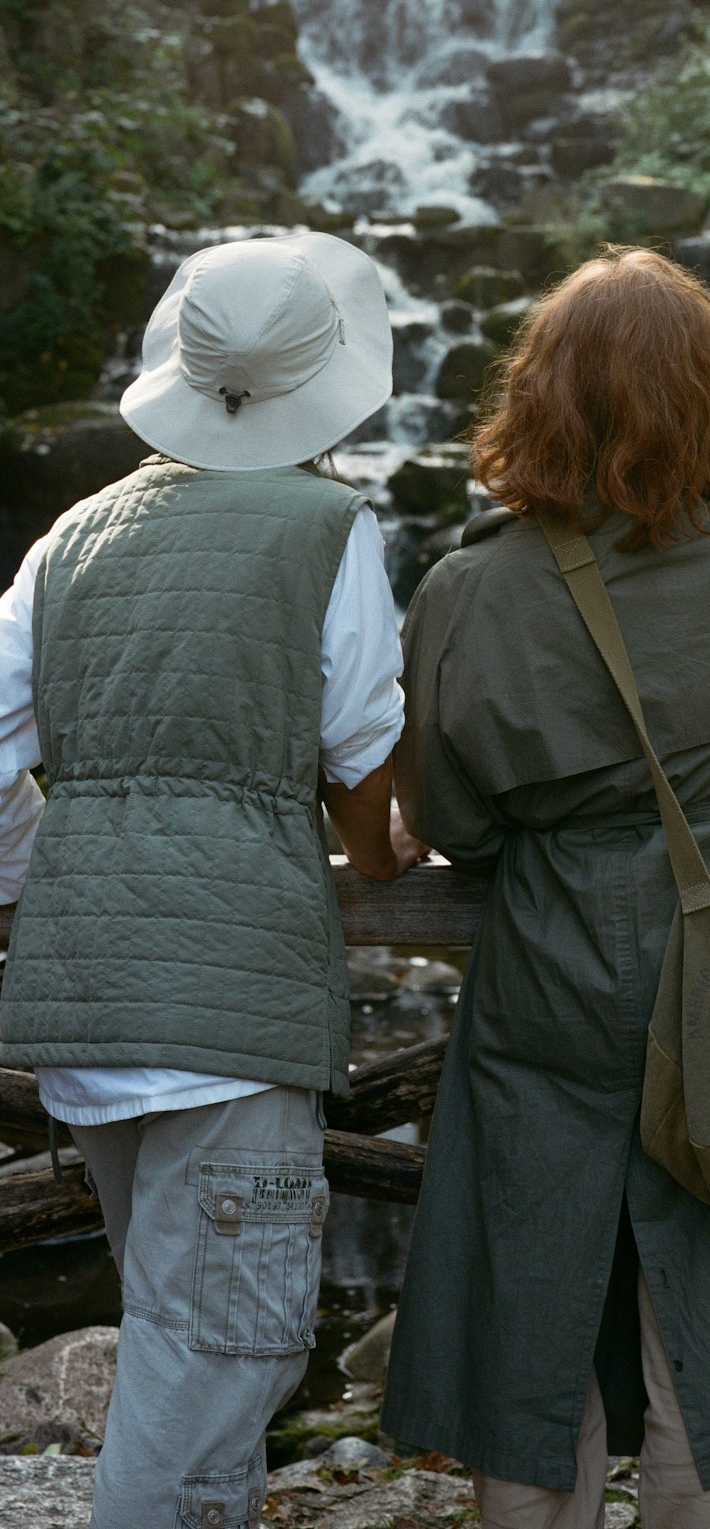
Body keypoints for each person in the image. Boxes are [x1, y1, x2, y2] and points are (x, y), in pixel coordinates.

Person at [381, 247, 710, 1529]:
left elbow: (451, 822)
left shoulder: (466, 590)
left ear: (531, 401)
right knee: (705, 1353)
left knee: (526, 1324)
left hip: (548, 958)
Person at [0, 233, 425, 1529]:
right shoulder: (327, 527)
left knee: (182, 1342)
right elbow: (361, 750)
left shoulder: (74, 533)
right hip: (230, 1016)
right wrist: (373, 854)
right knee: (216, 1355)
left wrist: (31, 867)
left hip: (88, 1012)